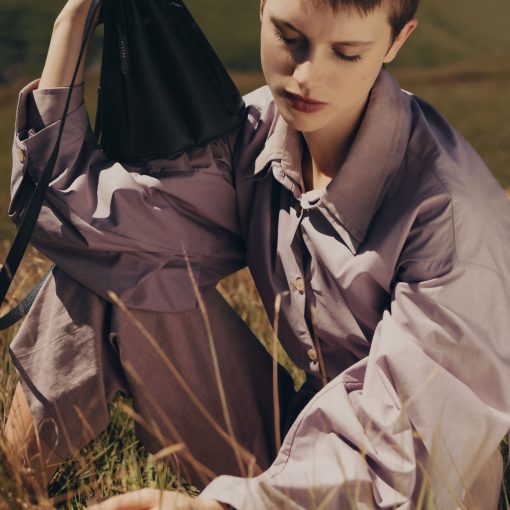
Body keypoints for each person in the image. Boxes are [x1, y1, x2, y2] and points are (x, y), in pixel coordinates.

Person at [4, 0, 510, 508]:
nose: (306, 76)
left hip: (408, 484)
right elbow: (93, 227)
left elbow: (415, 458)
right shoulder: (258, 132)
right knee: (108, 266)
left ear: (398, 40)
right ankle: (12, 487)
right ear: (262, 7)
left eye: (347, 53)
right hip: (293, 441)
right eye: (290, 37)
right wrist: (71, 24)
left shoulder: (451, 219)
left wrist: (221, 507)